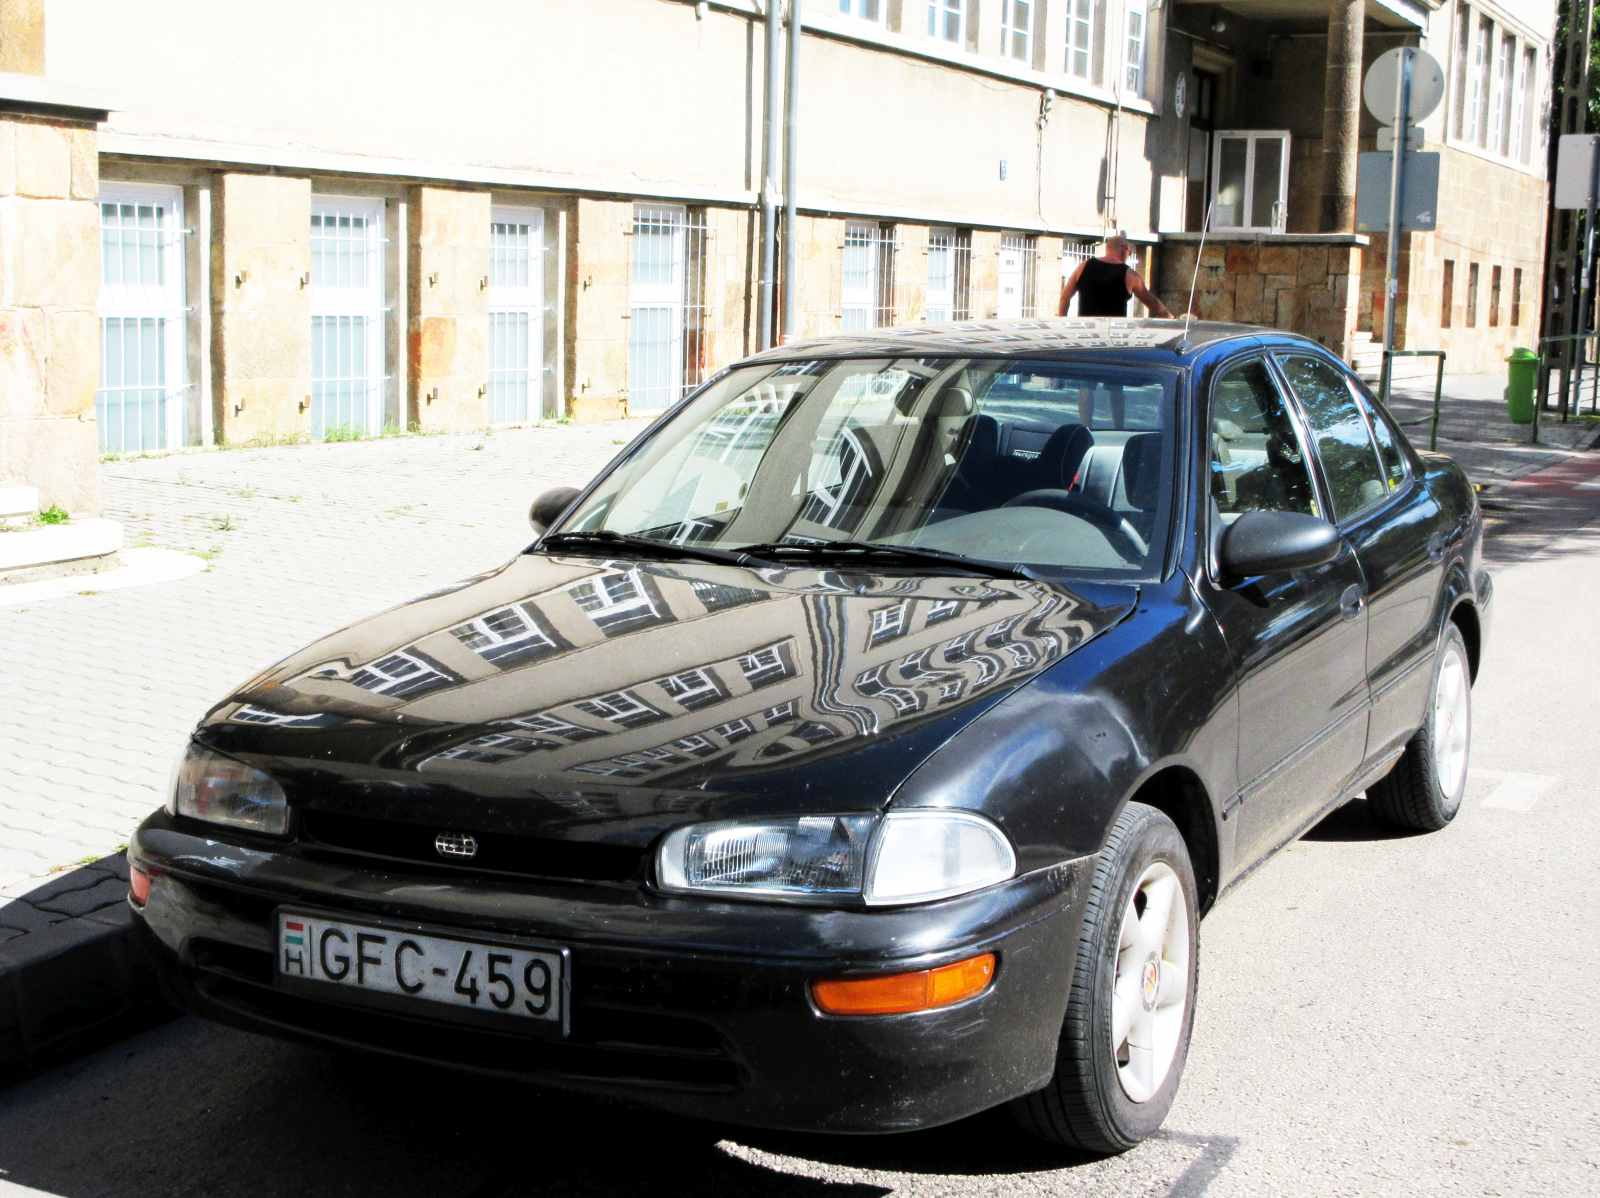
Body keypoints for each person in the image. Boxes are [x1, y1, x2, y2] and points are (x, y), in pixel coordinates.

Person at [1058, 232, 1175, 319]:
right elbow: (1153, 303)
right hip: (1114, 336)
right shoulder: (1130, 276)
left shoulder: (1083, 266)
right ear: (1124, 250)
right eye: (1130, 252)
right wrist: (1170, 318)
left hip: (1087, 333)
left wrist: (1062, 322)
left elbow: (1065, 297)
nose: (1129, 255)